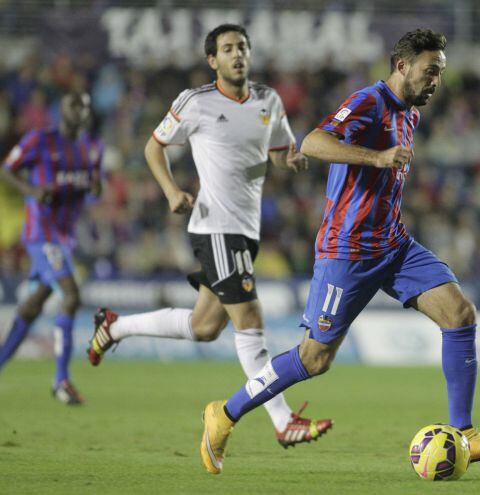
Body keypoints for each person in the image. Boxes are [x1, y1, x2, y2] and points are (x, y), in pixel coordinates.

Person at [199, 28, 480, 475]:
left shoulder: (411, 113)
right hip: (346, 251)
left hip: (393, 244)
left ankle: (465, 433)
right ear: (403, 66)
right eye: (430, 72)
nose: (436, 82)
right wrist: (377, 157)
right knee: (314, 359)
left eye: (440, 74)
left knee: (460, 314)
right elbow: (312, 141)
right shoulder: (369, 102)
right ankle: (225, 413)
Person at [86, 24, 332, 447]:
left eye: (242, 47)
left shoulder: (267, 101)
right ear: (212, 60)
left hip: (245, 229)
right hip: (215, 225)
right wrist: (171, 191)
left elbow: (276, 155)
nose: (237, 54)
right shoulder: (195, 102)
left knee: (204, 326)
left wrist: (290, 161)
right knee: (251, 320)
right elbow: (153, 147)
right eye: (227, 49)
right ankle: (283, 421)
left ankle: (115, 326)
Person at [0, 91, 102, 405]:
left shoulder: (89, 148)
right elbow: (6, 169)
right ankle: (61, 381)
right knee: (71, 295)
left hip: (64, 239)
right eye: (74, 103)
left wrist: (96, 186)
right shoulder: (40, 140)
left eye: (85, 105)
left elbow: (94, 189)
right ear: (62, 109)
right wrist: (32, 190)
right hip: (40, 233)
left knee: (31, 308)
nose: (80, 109)